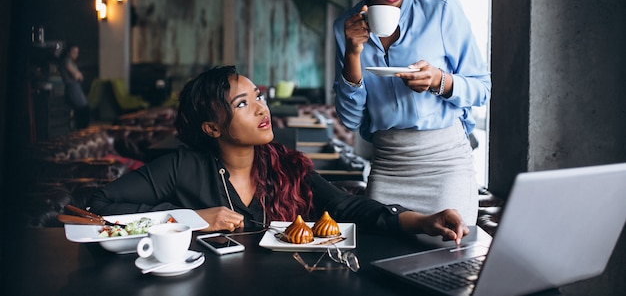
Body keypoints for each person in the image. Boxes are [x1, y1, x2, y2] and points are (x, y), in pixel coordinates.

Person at [89, 66, 469, 244]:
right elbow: (98, 208)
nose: (260, 108)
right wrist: (189, 219)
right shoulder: (180, 167)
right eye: (242, 103)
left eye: (259, 96)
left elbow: (348, 208)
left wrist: (420, 220)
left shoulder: (286, 163)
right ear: (212, 127)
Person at [332, 0, 491, 225]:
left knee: (449, 265)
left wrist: (440, 81)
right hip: (387, 166)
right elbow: (350, 120)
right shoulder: (346, 28)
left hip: (447, 166)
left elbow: (482, 89)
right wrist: (353, 54)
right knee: (379, 266)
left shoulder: (442, 10)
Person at [59, 44, 90, 129]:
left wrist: (78, 75)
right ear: (68, 53)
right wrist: (78, 74)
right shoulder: (66, 61)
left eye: (77, 52)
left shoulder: (71, 62)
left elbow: (81, 77)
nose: (76, 54)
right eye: (74, 52)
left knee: (83, 110)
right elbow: (76, 75)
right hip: (72, 89)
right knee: (82, 110)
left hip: (76, 88)